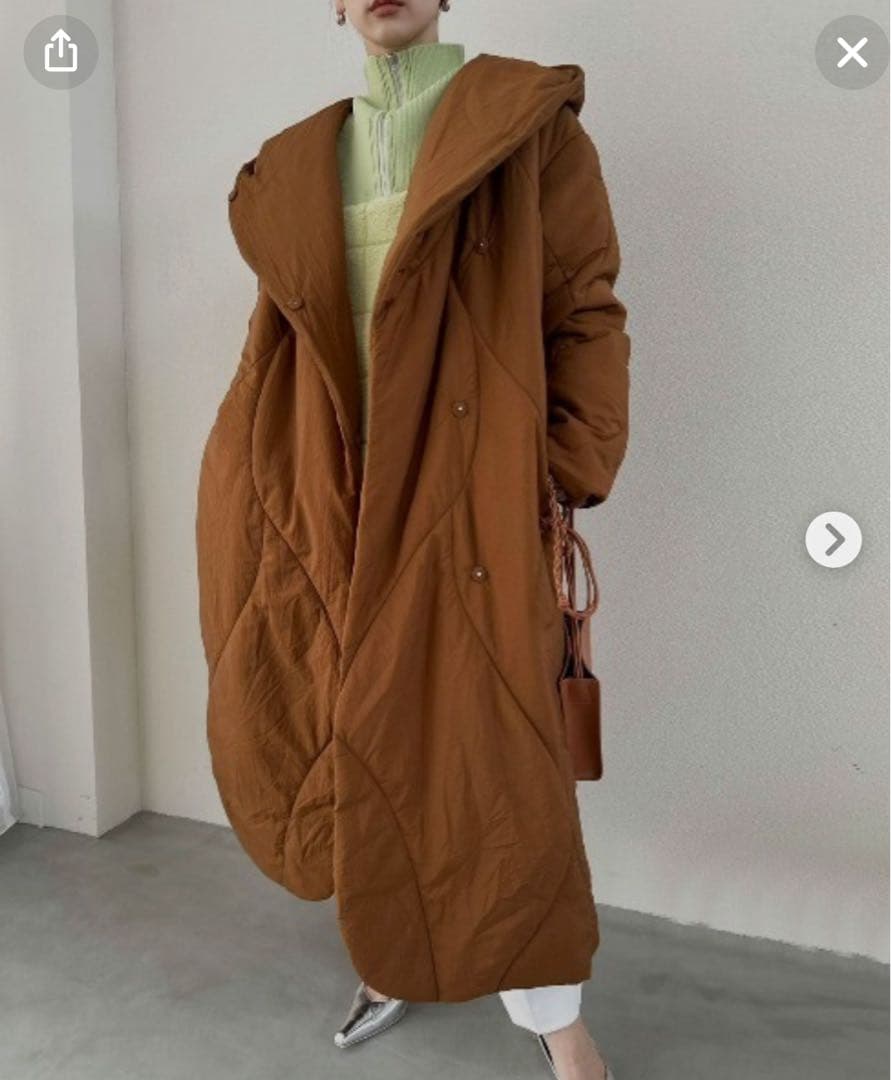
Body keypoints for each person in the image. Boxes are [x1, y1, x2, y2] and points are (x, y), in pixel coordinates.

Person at [196, 2, 629, 1078]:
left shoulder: (527, 127)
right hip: (322, 486)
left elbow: (584, 310)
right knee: (340, 720)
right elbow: (280, 344)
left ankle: (555, 1021)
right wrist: (248, 474)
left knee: (497, 765)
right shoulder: (295, 162)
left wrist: (562, 468)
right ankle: (388, 955)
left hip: (469, 491)